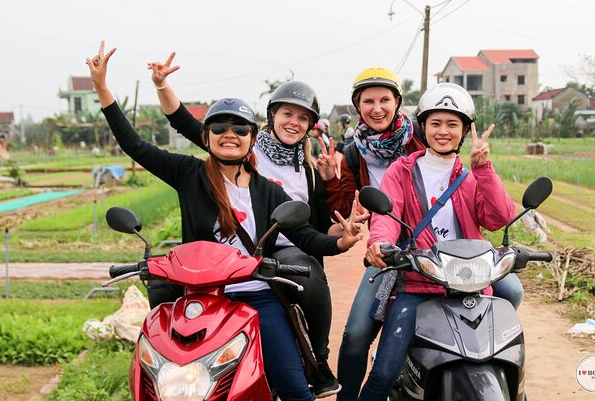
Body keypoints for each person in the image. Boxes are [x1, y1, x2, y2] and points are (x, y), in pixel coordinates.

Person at [87, 41, 364, 401]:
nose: (229, 133)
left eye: (240, 128)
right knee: (163, 383)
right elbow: (136, 146)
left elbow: (308, 237)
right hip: (202, 298)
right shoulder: (190, 174)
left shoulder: (270, 191)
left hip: (258, 296)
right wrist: (102, 88)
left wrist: (341, 241)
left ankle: (318, 361)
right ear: (207, 137)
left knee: (295, 389)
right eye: (219, 126)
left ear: (252, 139)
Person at [357, 82, 516, 400]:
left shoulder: (471, 176)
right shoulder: (400, 172)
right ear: (424, 126)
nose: (443, 131)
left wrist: (483, 167)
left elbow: (498, 219)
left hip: (470, 283)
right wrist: (381, 242)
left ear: (465, 130)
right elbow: (387, 215)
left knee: (508, 362)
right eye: (436, 123)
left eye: (452, 124)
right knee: (384, 374)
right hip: (419, 282)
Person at [315, 67, 425, 401]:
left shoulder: (422, 138)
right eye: (368, 101)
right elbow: (346, 205)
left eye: (384, 100)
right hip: (388, 249)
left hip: (436, 247)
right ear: (357, 106)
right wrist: (332, 180)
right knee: (357, 334)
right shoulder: (353, 154)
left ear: (397, 103)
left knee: (507, 290)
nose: (377, 108)